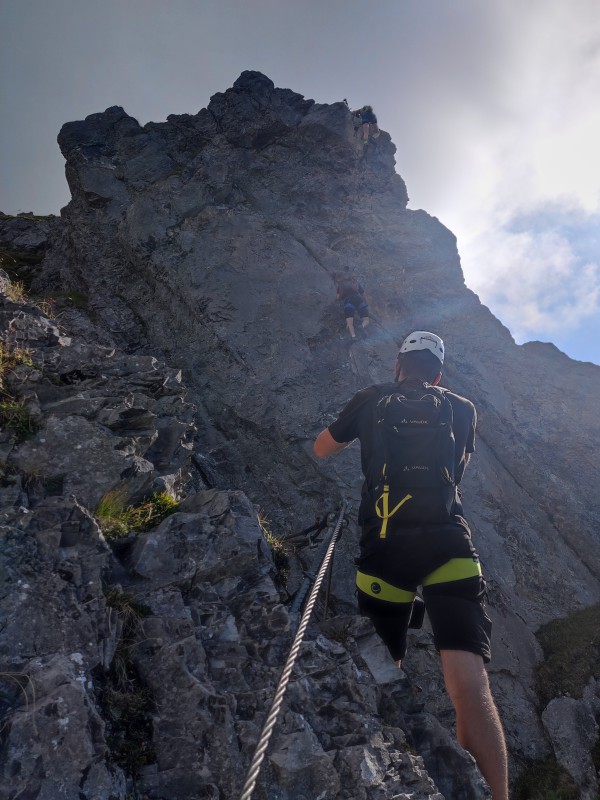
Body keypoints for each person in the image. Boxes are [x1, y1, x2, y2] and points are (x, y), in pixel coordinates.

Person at [313, 331, 509, 800]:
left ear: (398, 365)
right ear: (437, 374)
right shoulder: (462, 408)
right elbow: (458, 467)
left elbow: (322, 448)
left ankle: (392, 780)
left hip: (385, 543)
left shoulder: (373, 398)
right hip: (449, 546)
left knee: (385, 670)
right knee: (469, 684)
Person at [336, 268, 370, 340]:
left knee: (349, 322)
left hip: (348, 301)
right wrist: (366, 303)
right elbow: (363, 294)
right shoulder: (355, 282)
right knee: (366, 319)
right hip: (359, 300)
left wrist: (339, 298)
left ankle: (353, 336)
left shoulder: (341, 285)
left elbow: (338, 297)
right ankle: (362, 326)